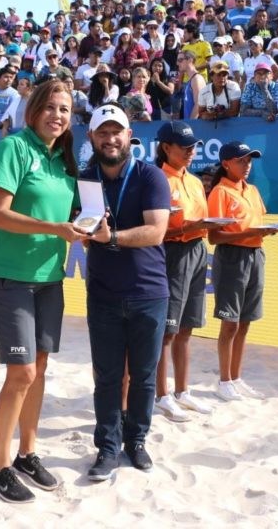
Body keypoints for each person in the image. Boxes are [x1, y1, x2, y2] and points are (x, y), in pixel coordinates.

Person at [0, 80, 85, 503]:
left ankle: (26, 452)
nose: (57, 116)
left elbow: (73, 212)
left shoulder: (63, 161)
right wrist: (55, 229)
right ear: (32, 110)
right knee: (21, 372)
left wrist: (89, 223)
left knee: (39, 369)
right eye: (50, 107)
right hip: (11, 274)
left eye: (64, 110)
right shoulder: (12, 149)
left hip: (49, 276)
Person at [82, 103, 170, 481]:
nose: (110, 138)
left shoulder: (150, 177)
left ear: (129, 135)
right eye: (103, 132)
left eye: (116, 131)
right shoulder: (84, 179)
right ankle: (106, 446)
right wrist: (88, 233)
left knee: (144, 376)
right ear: (92, 138)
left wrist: (110, 237)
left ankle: (136, 441)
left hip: (149, 292)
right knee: (107, 377)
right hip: (103, 293)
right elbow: (82, 231)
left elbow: (156, 231)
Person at [207, 142, 278, 401]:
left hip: (255, 254)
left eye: (249, 161)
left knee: (245, 322)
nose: (247, 165)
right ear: (226, 163)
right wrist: (251, 233)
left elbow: (257, 223)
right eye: (241, 161)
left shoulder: (251, 190)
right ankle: (224, 380)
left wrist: (266, 231)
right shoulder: (219, 192)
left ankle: (236, 378)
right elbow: (215, 237)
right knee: (230, 323)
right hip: (232, 258)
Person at [153, 122, 216, 423]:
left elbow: (200, 219)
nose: (191, 150)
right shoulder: (156, 179)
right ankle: (161, 395)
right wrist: (190, 226)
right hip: (172, 253)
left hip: (197, 250)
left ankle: (182, 390)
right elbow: (154, 227)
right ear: (166, 147)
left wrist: (207, 225)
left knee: (187, 326)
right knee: (167, 330)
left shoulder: (193, 181)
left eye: (193, 145)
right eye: (184, 146)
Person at [177, 50, 206, 119]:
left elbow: (198, 104)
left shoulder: (197, 79)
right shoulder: (191, 79)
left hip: (194, 125)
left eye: (180, 60)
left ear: (190, 60)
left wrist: (190, 123)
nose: (177, 63)